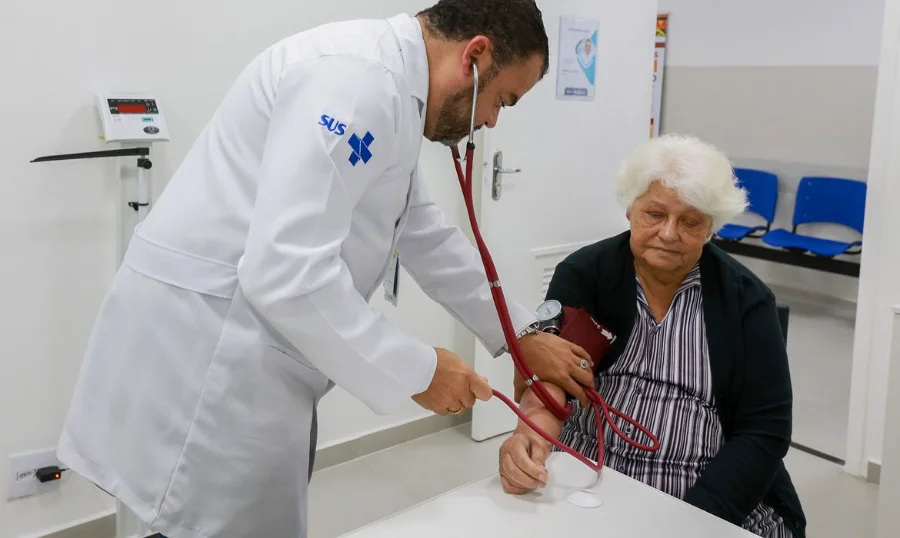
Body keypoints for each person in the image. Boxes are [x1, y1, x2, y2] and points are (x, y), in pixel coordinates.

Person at [57, 2, 597, 537]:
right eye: (501, 99)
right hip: (209, 355)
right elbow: (285, 273)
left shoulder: (393, 92)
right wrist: (419, 370)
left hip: (246, 349)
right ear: (475, 55)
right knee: (201, 525)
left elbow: (422, 231)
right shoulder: (359, 83)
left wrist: (519, 333)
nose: (492, 120)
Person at [497, 134, 807, 537]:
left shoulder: (748, 301)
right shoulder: (586, 272)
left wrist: (695, 519)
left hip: (709, 491)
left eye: (690, 222)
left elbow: (765, 431)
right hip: (589, 475)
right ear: (630, 209)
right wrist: (530, 437)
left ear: (711, 227)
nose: (669, 233)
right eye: (655, 214)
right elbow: (554, 377)